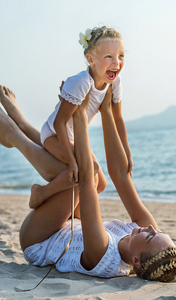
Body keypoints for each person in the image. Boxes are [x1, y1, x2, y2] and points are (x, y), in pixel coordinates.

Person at [0, 85, 176, 282]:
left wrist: (80, 111)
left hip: (39, 238)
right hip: (69, 221)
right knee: (98, 180)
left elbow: (85, 177)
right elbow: (121, 174)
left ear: (136, 262)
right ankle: (22, 127)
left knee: (81, 175)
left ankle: (13, 134)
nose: (150, 228)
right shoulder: (143, 232)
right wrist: (106, 111)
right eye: (158, 231)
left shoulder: (102, 255)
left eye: (150, 236)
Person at [29, 25, 132, 209]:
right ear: (91, 59)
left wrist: (127, 154)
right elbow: (60, 122)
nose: (116, 62)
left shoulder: (114, 82)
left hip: (76, 137)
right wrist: (71, 161)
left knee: (101, 184)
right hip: (53, 134)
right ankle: (42, 192)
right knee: (88, 170)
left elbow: (117, 120)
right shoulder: (81, 83)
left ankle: (69, 204)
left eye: (121, 56)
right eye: (109, 56)